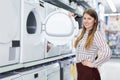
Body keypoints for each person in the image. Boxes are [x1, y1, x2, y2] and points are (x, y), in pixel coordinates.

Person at [71, 8, 112, 80]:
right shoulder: (81, 32)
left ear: (95, 20)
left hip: (89, 71)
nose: (86, 21)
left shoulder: (96, 34)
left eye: (89, 19)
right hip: (80, 70)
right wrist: (70, 18)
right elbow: (69, 31)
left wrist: (94, 64)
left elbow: (107, 52)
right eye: (84, 18)